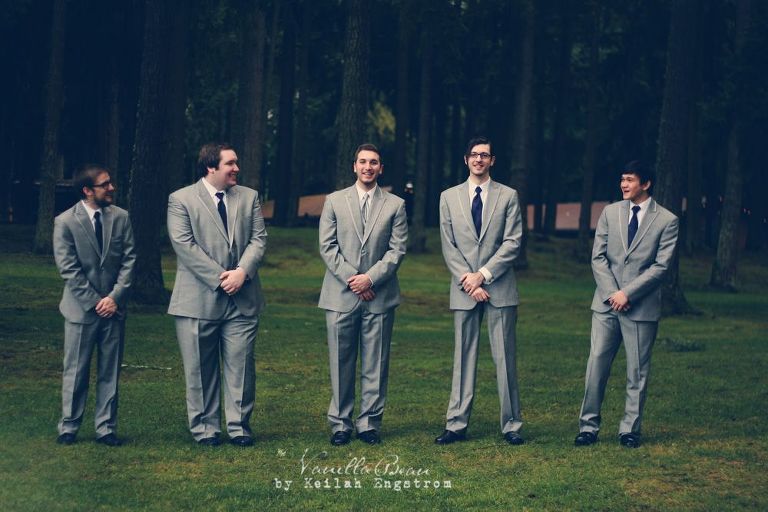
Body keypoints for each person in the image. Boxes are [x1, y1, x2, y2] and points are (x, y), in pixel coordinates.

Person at [167, 142, 267, 447]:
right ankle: (205, 430)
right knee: (200, 369)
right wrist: (222, 279)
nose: (237, 168)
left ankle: (239, 428)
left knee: (242, 368)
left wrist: (242, 272)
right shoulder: (181, 199)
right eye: (230, 163)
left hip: (243, 298)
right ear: (211, 167)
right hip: (197, 300)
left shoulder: (249, 197)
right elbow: (184, 245)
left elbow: (259, 239)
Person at [574, 161, 679, 449]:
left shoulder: (667, 220)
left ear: (646, 184)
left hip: (641, 309)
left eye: (630, 180)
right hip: (606, 306)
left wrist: (628, 294)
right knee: (596, 367)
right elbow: (598, 257)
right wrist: (613, 294)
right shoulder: (610, 213)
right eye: (622, 179)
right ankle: (588, 427)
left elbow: (661, 267)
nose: (623, 184)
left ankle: (630, 430)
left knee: (637, 372)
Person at [435, 136, 525, 446]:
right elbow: (448, 244)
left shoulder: (508, 196)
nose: (479, 159)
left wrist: (482, 276)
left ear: (492, 160)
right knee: (463, 358)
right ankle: (456, 424)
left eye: (484, 155)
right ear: (466, 159)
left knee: (505, 359)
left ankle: (511, 425)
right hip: (464, 289)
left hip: (500, 286)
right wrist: (469, 281)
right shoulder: (448, 197)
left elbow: (512, 242)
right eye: (474, 154)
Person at [318, 143, 408, 446]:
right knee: (340, 362)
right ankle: (340, 424)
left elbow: (397, 250)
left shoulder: (395, 205)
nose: (368, 167)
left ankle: (369, 423)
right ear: (354, 166)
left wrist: (370, 279)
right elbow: (327, 247)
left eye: (374, 162)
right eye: (363, 162)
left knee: (376, 363)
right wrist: (354, 280)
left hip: (380, 296)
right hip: (340, 295)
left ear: (381, 168)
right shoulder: (334, 201)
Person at [53, 164, 136, 447]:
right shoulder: (65, 222)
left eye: (110, 182)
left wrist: (114, 298)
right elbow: (68, 269)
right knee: (75, 371)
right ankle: (69, 426)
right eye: (105, 184)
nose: (112, 188)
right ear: (87, 190)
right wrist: (96, 302)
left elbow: (129, 260)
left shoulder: (121, 217)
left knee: (109, 371)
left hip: (115, 309)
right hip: (80, 311)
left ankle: (106, 428)